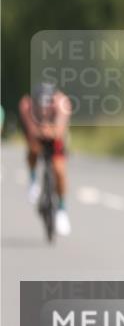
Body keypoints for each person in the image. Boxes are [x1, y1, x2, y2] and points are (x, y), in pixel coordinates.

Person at [19, 83, 72, 235]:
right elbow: (30, 128)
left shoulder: (62, 104)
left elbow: (60, 128)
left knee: (59, 170)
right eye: (39, 104)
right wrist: (37, 132)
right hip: (37, 134)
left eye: (46, 104)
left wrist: (52, 131)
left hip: (56, 135)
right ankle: (33, 179)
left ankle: (62, 209)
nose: (43, 109)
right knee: (32, 150)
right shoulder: (26, 105)